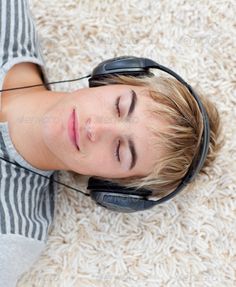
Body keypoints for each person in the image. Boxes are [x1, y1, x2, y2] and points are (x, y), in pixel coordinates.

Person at [0, 0, 223, 286]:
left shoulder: (11, 238)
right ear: (112, 78)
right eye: (120, 106)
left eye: (120, 151)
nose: (95, 127)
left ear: (113, 187)